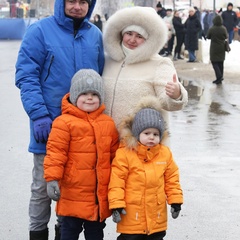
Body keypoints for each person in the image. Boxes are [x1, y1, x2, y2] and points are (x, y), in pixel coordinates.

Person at [15, 0, 104, 239]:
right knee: (43, 187)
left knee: (73, 187)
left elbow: (100, 79)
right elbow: (26, 75)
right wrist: (39, 115)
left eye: (83, 2)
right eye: (71, 1)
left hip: (83, 131)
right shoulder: (40, 31)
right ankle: (37, 232)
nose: (77, 6)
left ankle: (61, 231)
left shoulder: (95, 35)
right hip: (49, 125)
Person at [44, 69, 119, 240]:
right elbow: (56, 154)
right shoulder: (63, 123)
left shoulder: (107, 123)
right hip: (72, 193)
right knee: (69, 231)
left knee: (95, 233)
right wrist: (52, 179)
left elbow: (115, 156)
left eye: (94, 93)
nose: (90, 97)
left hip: (97, 195)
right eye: (84, 93)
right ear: (74, 95)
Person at [102, 6, 188, 144]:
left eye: (139, 36)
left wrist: (176, 94)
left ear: (148, 40)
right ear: (121, 33)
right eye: (129, 33)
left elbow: (169, 104)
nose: (132, 39)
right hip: (106, 143)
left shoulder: (160, 63)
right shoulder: (106, 60)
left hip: (141, 146)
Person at [108, 96, 183, 240]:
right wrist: (116, 204)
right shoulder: (125, 154)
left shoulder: (164, 154)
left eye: (155, 134)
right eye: (146, 133)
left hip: (157, 217)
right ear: (137, 134)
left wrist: (175, 200)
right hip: (132, 216)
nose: (151, 137)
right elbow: (117, 181)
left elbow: (172, 179)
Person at [207, 15, 228, 85]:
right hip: (222, 47)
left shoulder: (212, 29)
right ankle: (220, 77)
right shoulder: (223, 28)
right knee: (221, 63)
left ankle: (219, 76)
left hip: (214, 47)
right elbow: (226, 36)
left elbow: (208, 36)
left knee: (214, 62)